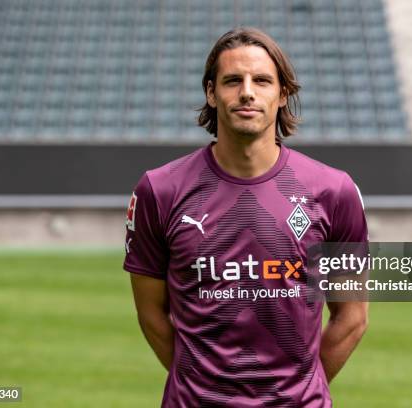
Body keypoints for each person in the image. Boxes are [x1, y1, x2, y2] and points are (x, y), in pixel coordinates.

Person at [123, 27, 368, 407]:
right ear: (211, 92)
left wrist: (297, 392)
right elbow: (151, 312)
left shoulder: (333, 191)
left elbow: (352, 317)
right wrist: (201, 390)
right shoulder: (160, 190)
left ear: (282, 94)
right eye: (233, 80)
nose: (247, 92)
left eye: (263, 81)